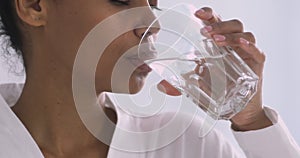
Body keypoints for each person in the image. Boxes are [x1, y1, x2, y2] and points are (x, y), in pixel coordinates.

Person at [0, 0, 299, 157]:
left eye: (152, 3)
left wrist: (252, 120)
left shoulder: (186, 146)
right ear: (34, 5)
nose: (152, 25)